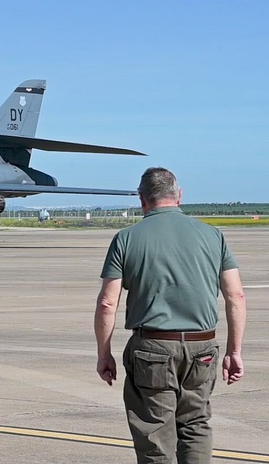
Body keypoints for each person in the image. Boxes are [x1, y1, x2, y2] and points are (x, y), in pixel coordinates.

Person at [94, 167, 246, 463]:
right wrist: (234, 351)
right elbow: (236, 296)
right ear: (179, 197)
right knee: (196, 424)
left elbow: (106, 304)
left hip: (152, 348)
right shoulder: (213, 235)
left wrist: (104, 354)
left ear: (142, 199)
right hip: (203, 348)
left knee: (154, 434)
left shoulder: (126, 238)